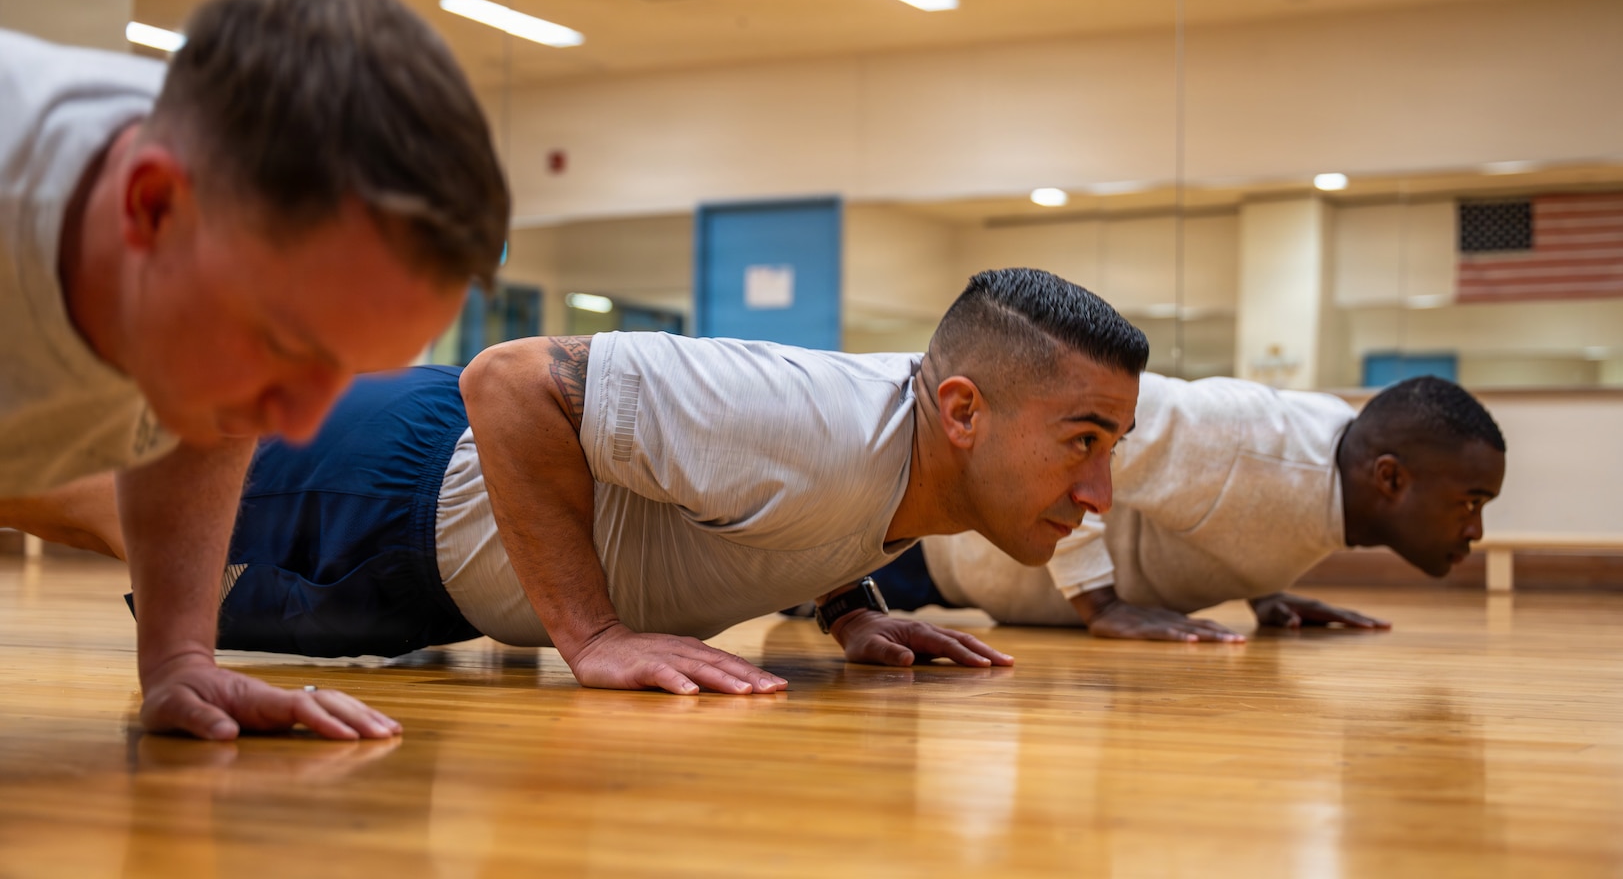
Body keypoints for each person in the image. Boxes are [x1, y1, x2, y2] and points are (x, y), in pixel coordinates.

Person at [15, 268, 1149, 692]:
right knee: (80, 496)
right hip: (398, 493)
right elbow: (511, 381)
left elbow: (813, 508)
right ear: (963, 411)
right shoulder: (819, 422)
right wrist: (595, 637)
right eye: (1082, 439)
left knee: (91, 506)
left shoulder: (912, 454)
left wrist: (853, 609)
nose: (1098, 493)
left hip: (426, 564)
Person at [0, 0, 511, 740]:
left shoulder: (216, 183)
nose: (303, 426)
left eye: (341, 371)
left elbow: (206, 427)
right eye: (286, 345)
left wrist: (178, 658)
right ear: (152, 206)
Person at [873, 373, 1506, 642]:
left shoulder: (1347, 461)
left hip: (980, 577)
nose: (1475, 529)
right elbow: (1070, 428)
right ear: (1390, 480)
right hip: (935, 550)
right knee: (803, 595)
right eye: (1469, 502)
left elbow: (1254, 504)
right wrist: (1102, 605)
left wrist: (1264, 587)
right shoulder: (1244, 439)